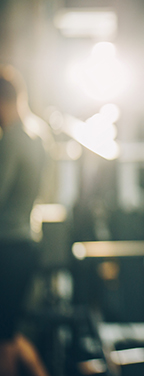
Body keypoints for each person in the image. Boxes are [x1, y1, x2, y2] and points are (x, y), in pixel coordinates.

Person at [0, 66, 50, 376]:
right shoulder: (37, 134)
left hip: (6, 245)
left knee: (3, 337)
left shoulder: (12, 140)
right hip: (26, 244)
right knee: (9, 329)